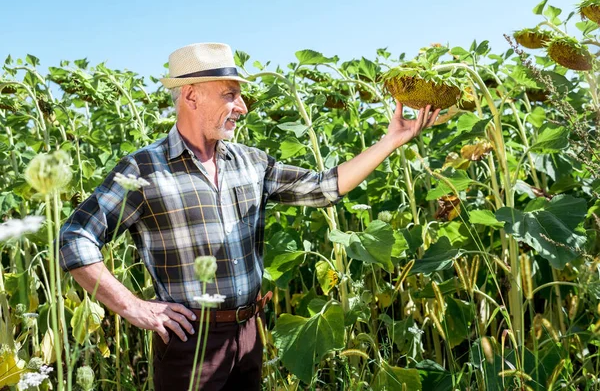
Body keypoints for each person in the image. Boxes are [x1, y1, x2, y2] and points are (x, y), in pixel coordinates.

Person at [58, 43, 440, 390]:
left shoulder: (250, 162)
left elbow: (324, 188)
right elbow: (75, 237)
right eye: (230, 95)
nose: (241, 106)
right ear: (191, 95)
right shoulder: (145, 169)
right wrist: (132, 306)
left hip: (248, 334)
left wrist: (392, 139)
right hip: (191, 343)